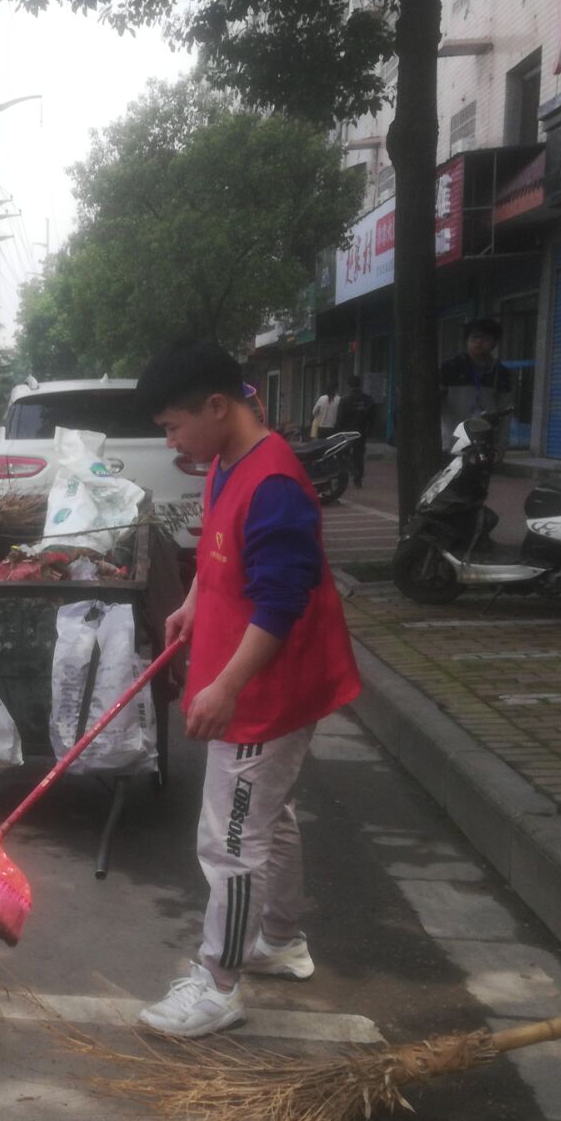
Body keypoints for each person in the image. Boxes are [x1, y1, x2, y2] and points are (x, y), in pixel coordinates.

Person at [133, 340, 362, 1038]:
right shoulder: (225, 462)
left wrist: (226, 687)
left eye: (173, 426)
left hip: (265, 695)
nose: (171, 441)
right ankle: (279, 940)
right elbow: (219, 552)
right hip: (258, 683)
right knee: (269, 817)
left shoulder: (276, 487)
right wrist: (193, 603)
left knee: (229, 842)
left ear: (215, 406)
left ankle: (219, 983)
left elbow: (281, 603)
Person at [440, 317, 513, 435]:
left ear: (494, 343)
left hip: (486, 437)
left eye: (485, 339)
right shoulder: (450, 367)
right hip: (454, 436)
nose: (478, 342)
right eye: (474, 337)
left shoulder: (500, 372)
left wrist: (502, 441)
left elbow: (505, 409)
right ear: (466, 340)